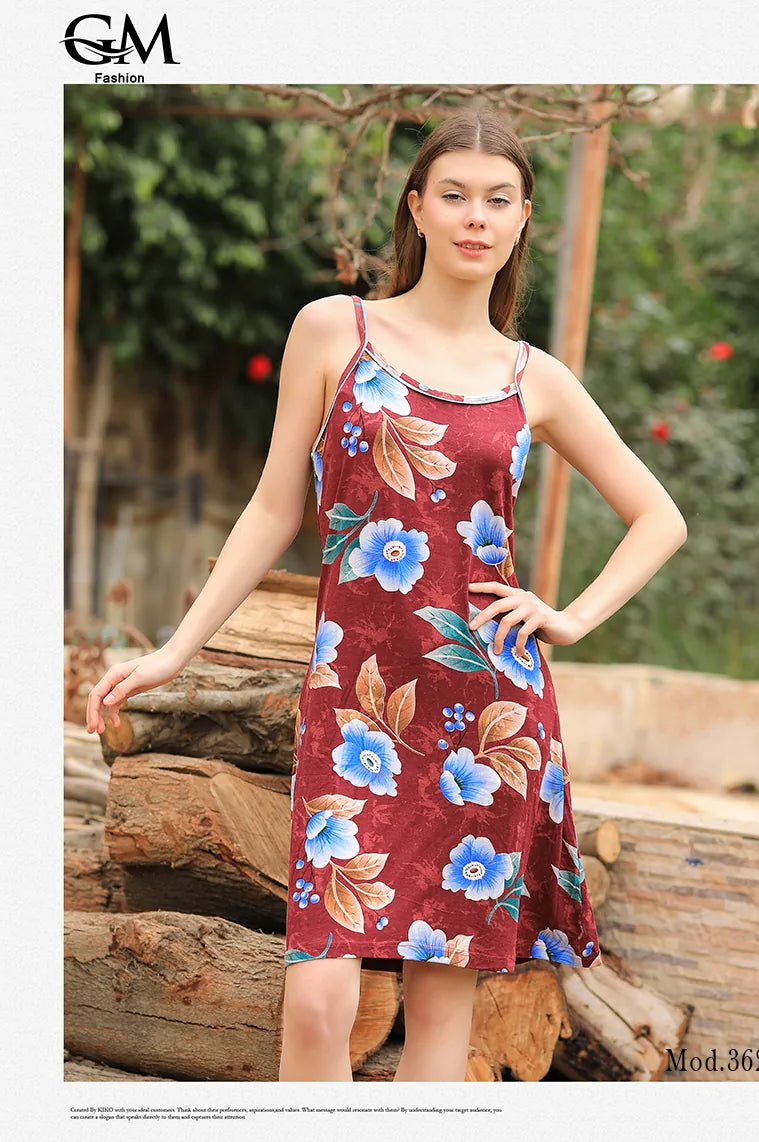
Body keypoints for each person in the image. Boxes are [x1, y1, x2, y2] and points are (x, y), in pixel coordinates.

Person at [86, 108, 687, 1082]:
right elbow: (273, 505)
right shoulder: (335, 330)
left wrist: (569, 614)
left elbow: (658, 515)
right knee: (319, 994)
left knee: (438, 1008)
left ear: (524, 218)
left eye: (497, 200)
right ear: (417, 205)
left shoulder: (534, 378)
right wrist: (172, 650)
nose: (474, 218)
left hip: (485, 717)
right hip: (356, 700)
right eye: (453, 195)